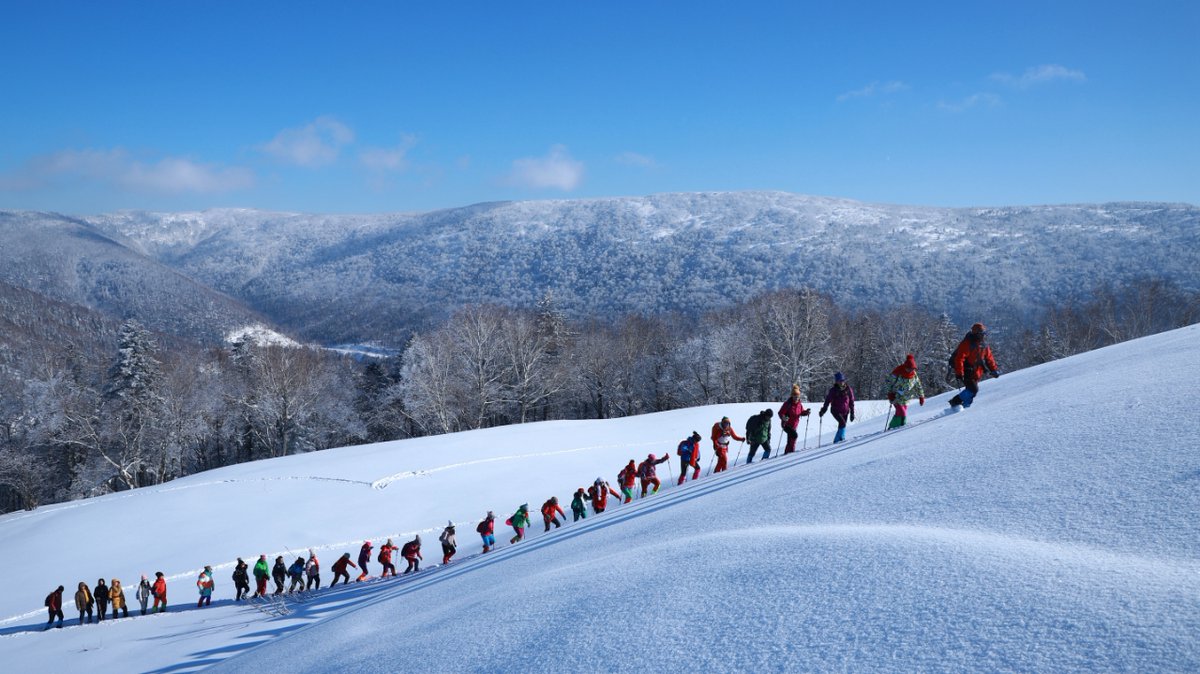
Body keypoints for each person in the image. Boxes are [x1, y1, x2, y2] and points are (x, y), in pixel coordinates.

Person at [949, 323, 1001, 409]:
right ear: (976, 334)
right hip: (966, 370)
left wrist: (994, 370)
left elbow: (989, 358)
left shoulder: (983, 345)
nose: (984, 335)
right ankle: (955, 402)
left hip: (976, 372)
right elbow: (959, 359)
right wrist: (959, 373)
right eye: (982, 333)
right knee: (973, 389)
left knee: (972, 391)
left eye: (984, 333)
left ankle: (963, 407)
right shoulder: (967, 344)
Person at [886, 354, 925, 429]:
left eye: (912, 369)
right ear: (905, 367)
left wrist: (921, 396)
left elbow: (918, 386)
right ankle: (892, 427)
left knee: (902, 413)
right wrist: (890, 394)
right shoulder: (897, 372)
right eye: (909, 369)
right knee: (902, 412)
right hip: (896, 397)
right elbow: (888, 383)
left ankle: (900, 427)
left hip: (906, 398)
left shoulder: (914, 375)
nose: (910, 371)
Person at [819, 372, 856, 444]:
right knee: (843, 423)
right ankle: (839, 439)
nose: (841, 382)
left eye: (842, 380)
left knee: (842, 425)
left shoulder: (848, 389)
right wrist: (823, 410)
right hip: (835, 410)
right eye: (839, 381)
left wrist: (852, 413)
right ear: (836, 381)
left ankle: (838, 440)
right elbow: (827, 400)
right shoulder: (833, 390)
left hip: (845, 411)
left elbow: (851, 401)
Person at [778, 384, 812, 453]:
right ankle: (790, 452)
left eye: (797, 396)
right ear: (792, 396)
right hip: (786, 424)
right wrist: (784, 418)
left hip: (794, 425)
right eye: (795, 396)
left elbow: (801, 412)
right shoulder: (788, 404)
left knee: (791, 439)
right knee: (794, 436)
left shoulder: (799, 404)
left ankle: (788, 453)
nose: (796, 397)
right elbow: (780, 413)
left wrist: (806, 412)